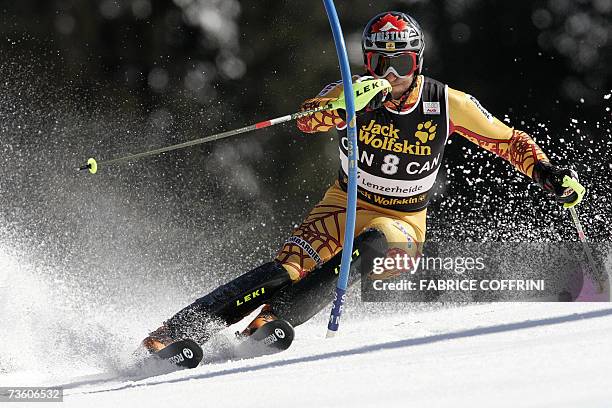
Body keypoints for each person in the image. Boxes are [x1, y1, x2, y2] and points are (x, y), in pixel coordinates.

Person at [142, 11, 585, 352]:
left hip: (404, 225)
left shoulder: (445, 103)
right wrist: (344, 104)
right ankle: (176, 332)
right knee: (287, 268)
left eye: (401, 62)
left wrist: (548, 175)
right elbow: (307, 121)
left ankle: (274, 319)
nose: (391, 74)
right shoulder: (354, 91)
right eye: (379, 62)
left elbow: (509, 141)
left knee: (375, 247)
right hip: (342, 204)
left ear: (418, 61)